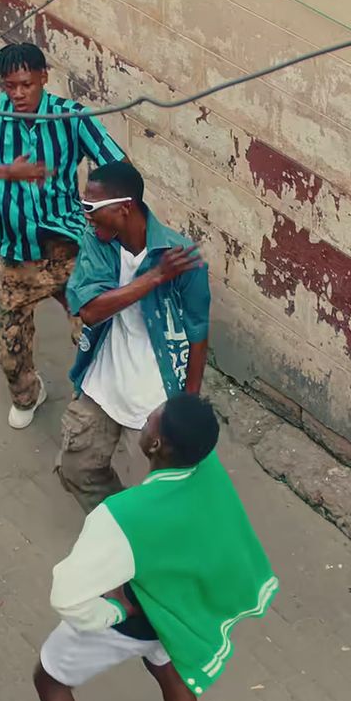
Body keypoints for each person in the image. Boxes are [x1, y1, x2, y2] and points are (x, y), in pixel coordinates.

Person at [35, 394, 279, 701]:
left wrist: (114, 611)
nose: (146, 420)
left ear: (155, 444)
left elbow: (68, 598)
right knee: (165, 663)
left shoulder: (120, 517)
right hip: (181, 612)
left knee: (49, 681)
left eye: (150, 419)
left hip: (139, 615)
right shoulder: (205, 465)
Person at [0, 43, 128, 429]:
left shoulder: (72, 117)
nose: (18, 94)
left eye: (26, 84)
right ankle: (29, 394)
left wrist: (105, 217)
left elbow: (118, 166)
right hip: (18, 255)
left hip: (69, 250)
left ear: (44, 76)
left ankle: (96, 403)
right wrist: (5, 173)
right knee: (11, 348)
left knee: (91, 333)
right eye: (9, 85)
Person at [59, 161, 210, 513]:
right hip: (103, 386)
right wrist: (154, 278)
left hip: (154, 404)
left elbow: (198, 333)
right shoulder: (99, 243)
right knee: (76, 468)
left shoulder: (182, 258)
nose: (87, 217)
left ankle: (149, 546)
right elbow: (91, 310)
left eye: (92, 208)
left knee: (163, 501)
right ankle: (122, 526)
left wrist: (187, 406)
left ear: (124, 207)